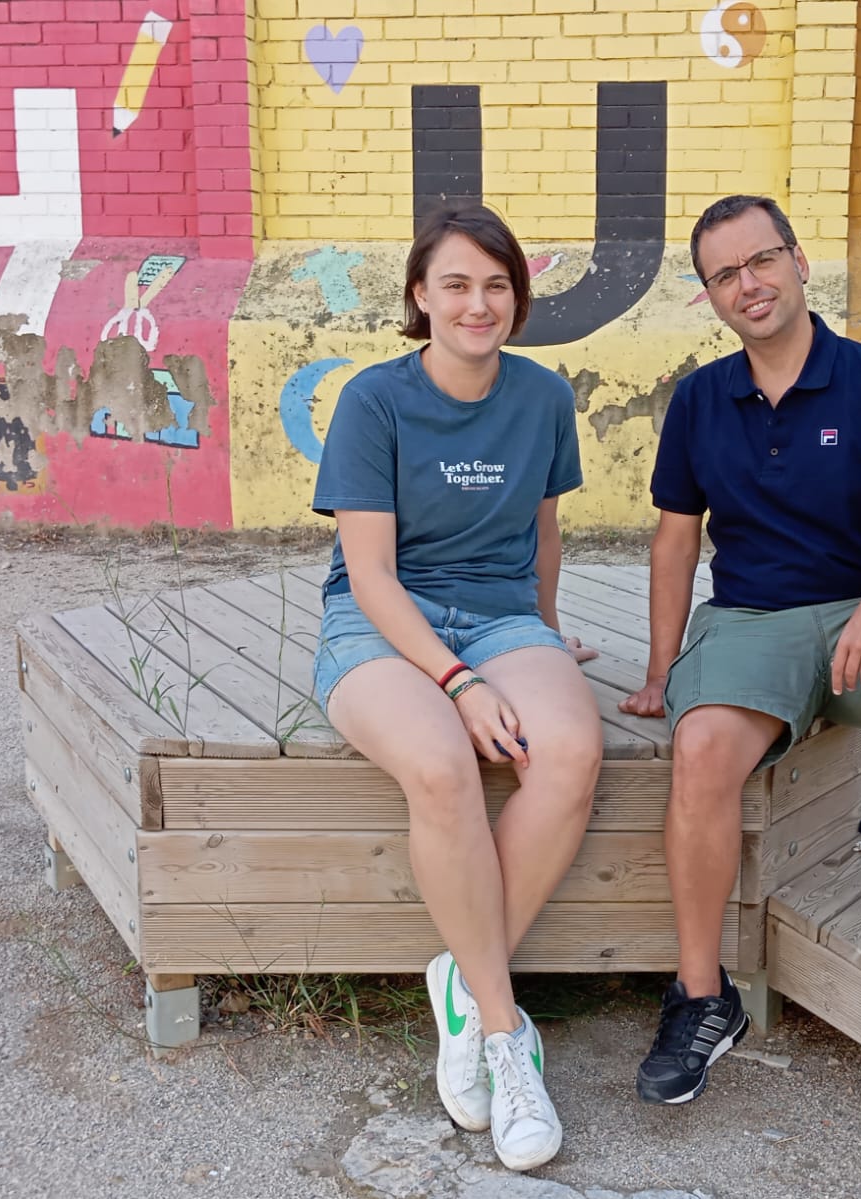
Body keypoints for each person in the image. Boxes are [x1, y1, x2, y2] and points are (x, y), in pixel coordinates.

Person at [620, 195, 861, 1106]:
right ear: (711, 296)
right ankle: (702, 996)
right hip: (750, 622)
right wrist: (660, 669)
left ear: (797, 260)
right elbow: (676, 541)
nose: (747, 284)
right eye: (724, 274)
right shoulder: (700, 399)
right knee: (701, 748)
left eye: (761, 260)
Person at [309, 205, 602, 1171]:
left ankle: (462, 982)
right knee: (442, 763)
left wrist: (545, 640)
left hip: (502, 616)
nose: (479, 304)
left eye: (496, 285)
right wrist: (459, 680)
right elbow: (370, 574)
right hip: (384, 623)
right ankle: (506, 1031)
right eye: (457, 284)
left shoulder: (543, 396)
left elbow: (544, 534)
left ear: (517, 298)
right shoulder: (375, 400)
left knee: (569, 747)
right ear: (420, 297)